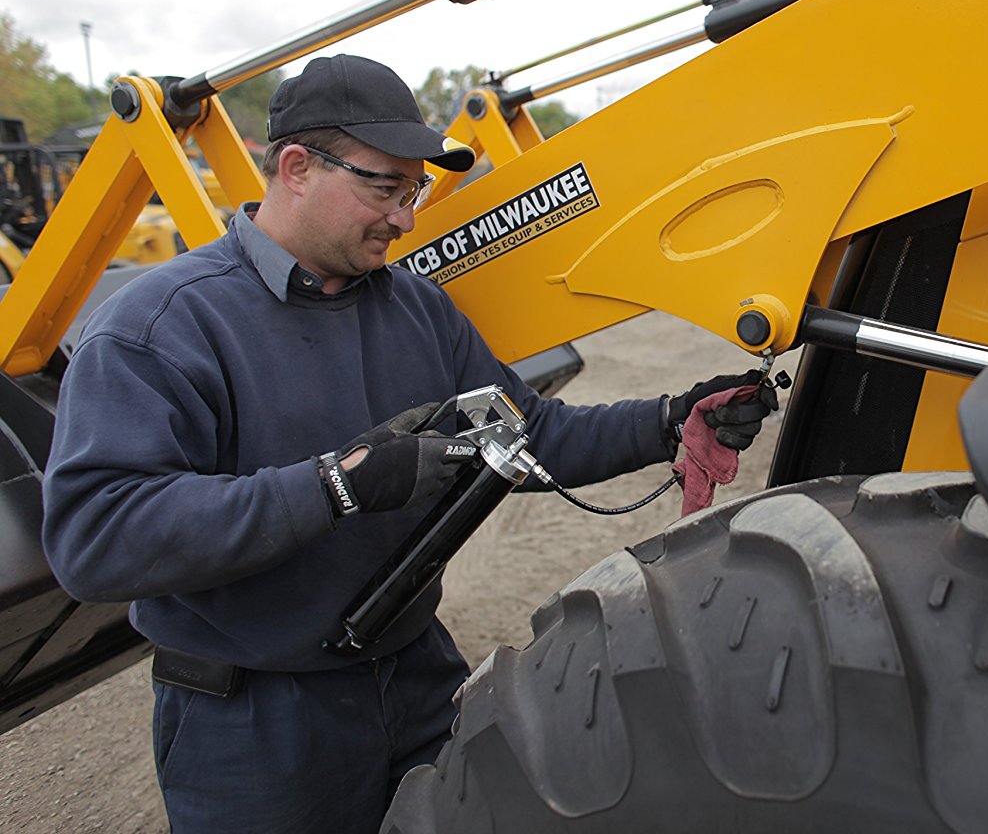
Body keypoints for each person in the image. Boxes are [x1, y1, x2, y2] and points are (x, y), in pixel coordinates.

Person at [41, 54, 777, 834]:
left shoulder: (415, 309)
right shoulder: (162, 326)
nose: (405, 217)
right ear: (295, 167)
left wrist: (667, 418)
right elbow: (96, 537)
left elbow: (527, 435)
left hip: (416, 676)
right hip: (256, 720)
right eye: (385, 187)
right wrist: (336, 486)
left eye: (413, 189)